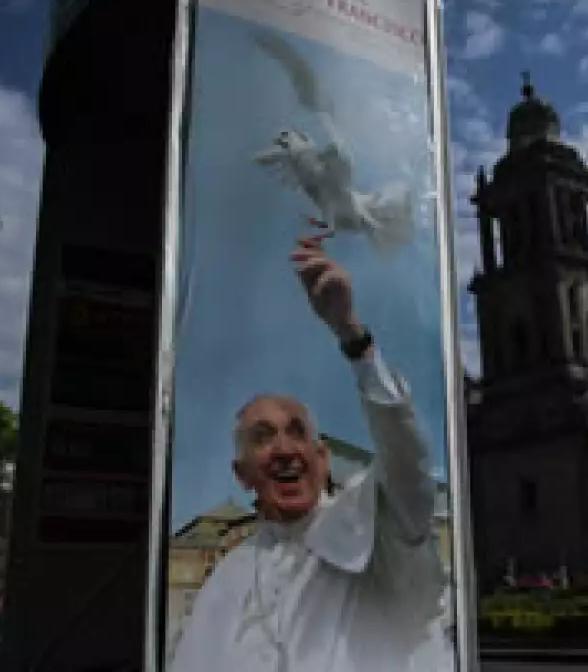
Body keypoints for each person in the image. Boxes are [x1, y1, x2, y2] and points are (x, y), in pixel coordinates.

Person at [170, 224, 454, 672]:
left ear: (322, 460)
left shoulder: (373, 530)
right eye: (262, 438)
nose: (284, 449)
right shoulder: (224, 580)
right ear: (242, 473)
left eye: (297, 432)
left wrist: (350, 334)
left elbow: (408, 461)